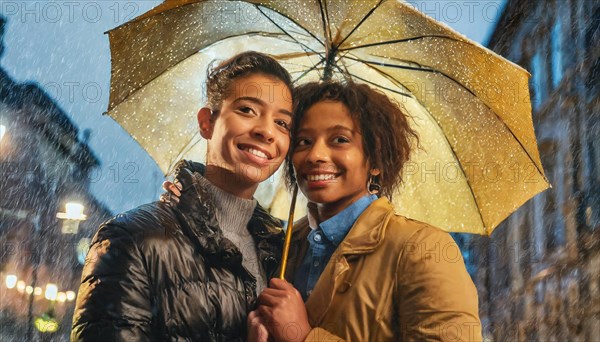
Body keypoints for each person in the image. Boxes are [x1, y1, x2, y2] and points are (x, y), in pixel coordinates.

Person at [71, 51, 294, 341]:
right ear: (207, 123)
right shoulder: (132, 238)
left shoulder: (284, 252)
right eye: (247, 110)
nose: (266, 131)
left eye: (283, 123)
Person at [250, 81, 482, 341]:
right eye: (304, 141)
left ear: (376, 161)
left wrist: (305, 337)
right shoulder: (283, 246)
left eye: (340, 140)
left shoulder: (424, 249)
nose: (315, 155)